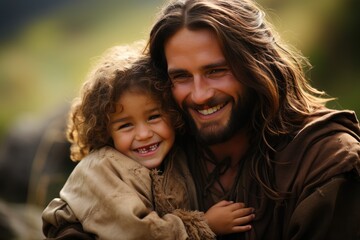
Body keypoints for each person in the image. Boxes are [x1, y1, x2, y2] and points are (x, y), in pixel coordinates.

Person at [147, 0, 360, 239]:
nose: (199, 95)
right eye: (181, 76)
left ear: (256, 65)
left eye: (216, 71)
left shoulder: (324, 161)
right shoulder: (152, 163)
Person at [41, 43, 255, 239]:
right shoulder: (101, 169)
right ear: (106, 132)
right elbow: (136, 232)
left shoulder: (177, 158)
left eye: (153, 117)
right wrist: (206, 224)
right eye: (125, 125)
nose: (143, 134)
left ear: (173, 114)